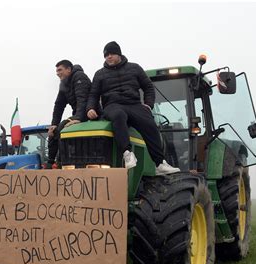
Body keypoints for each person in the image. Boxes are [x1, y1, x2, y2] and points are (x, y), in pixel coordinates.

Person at [86, 41, 180, 175]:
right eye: (106, 55)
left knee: (150, 123)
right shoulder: (99, 74)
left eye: (111, 53)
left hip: (133, 104)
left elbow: (148, 87)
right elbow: (93, 94)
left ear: (119, 54)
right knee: (118, 115)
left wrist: (148, 105)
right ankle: (127, 154)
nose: (108, 57)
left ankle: (159, 163)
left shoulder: (135, 68)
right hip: (112, 105)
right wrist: (90, 108)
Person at [47, 60, 92, 168]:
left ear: (68, 69)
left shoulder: (79, 77)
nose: (58, 73)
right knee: (54, 130)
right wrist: (54, 124)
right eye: (56, 71)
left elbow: (82, 99)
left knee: (63, 127)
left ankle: (61, 162)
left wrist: (78, 118)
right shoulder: (63, 84)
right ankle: (50, 163)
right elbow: (59, 105)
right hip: (77, 114)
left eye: (60, 70)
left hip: (89, 113)